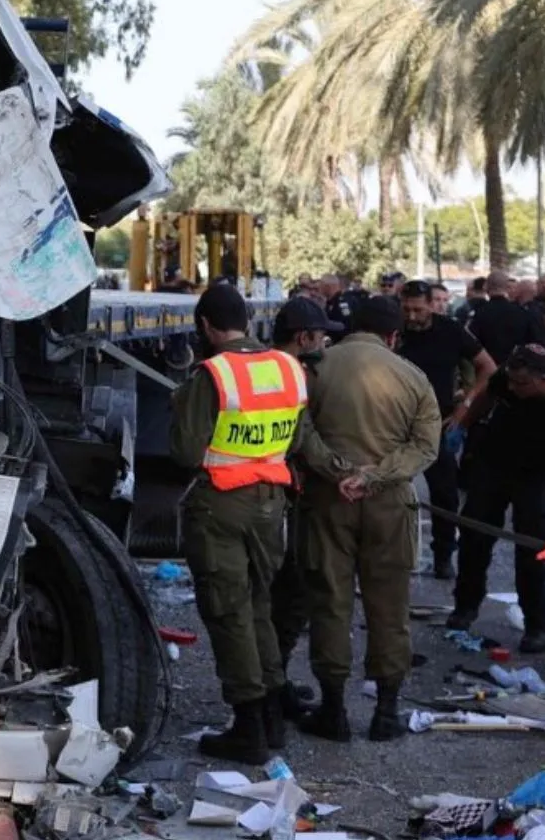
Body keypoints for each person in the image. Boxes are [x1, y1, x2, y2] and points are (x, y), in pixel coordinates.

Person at [169, 285, 341, 764]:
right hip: (272, 502)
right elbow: (299, 436)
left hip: (222, 504)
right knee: (260, 605)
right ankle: (270, 718)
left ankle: (248, 727)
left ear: (204, 325)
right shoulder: (289, 367)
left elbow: (185, 451)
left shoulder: (213, 373)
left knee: (229, 612)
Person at [299, 297, 440, 743]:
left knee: (330, 600)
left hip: (328, 500)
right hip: (389, 504)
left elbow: (300, 430)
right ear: (394, 336)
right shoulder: (413, 377)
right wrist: (374, 477)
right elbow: (425, 447)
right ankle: (386, 712)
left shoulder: (318, 367)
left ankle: (334, 710)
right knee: (389, 606)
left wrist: (339, 472)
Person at [448, 346, 545, 654]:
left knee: (533, 550)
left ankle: (538, 625)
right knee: (475, 538)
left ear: (544, 379)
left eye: (522, 384)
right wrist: (462, 427)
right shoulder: (509, 377)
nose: (513, 388)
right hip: (493, 464)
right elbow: (487, 396)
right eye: (511, 382)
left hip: (534, 476)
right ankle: (465, 607)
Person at [267, 297, 342, 724]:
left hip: (258, 497)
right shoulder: (291, 375)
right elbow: (304, 439)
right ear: (304, 337)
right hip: (281, 501)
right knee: (291, 597)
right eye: (321, 335)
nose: (325, 342)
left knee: (278, 599)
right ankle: (270, 691)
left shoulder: (263, 367)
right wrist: (346, 473)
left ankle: (271, 686)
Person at [399, 281, 497, 579]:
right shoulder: (394, 329)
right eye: (406, 309)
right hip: (394, 421)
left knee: (445, 494)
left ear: (432, 304)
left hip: (436, 422)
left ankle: (443, 555)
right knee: (387, 489)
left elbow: (488, 368)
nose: (412, 316)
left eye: (418, 309)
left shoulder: (451, 330)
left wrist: (464, 406)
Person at [470, 271, 543, 369]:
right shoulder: (522, 313)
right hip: (515, 368)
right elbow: (536, 342)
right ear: (507, 287)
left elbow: (471, 343)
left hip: (487, 369)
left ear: (486, 287)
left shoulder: (480, 313)